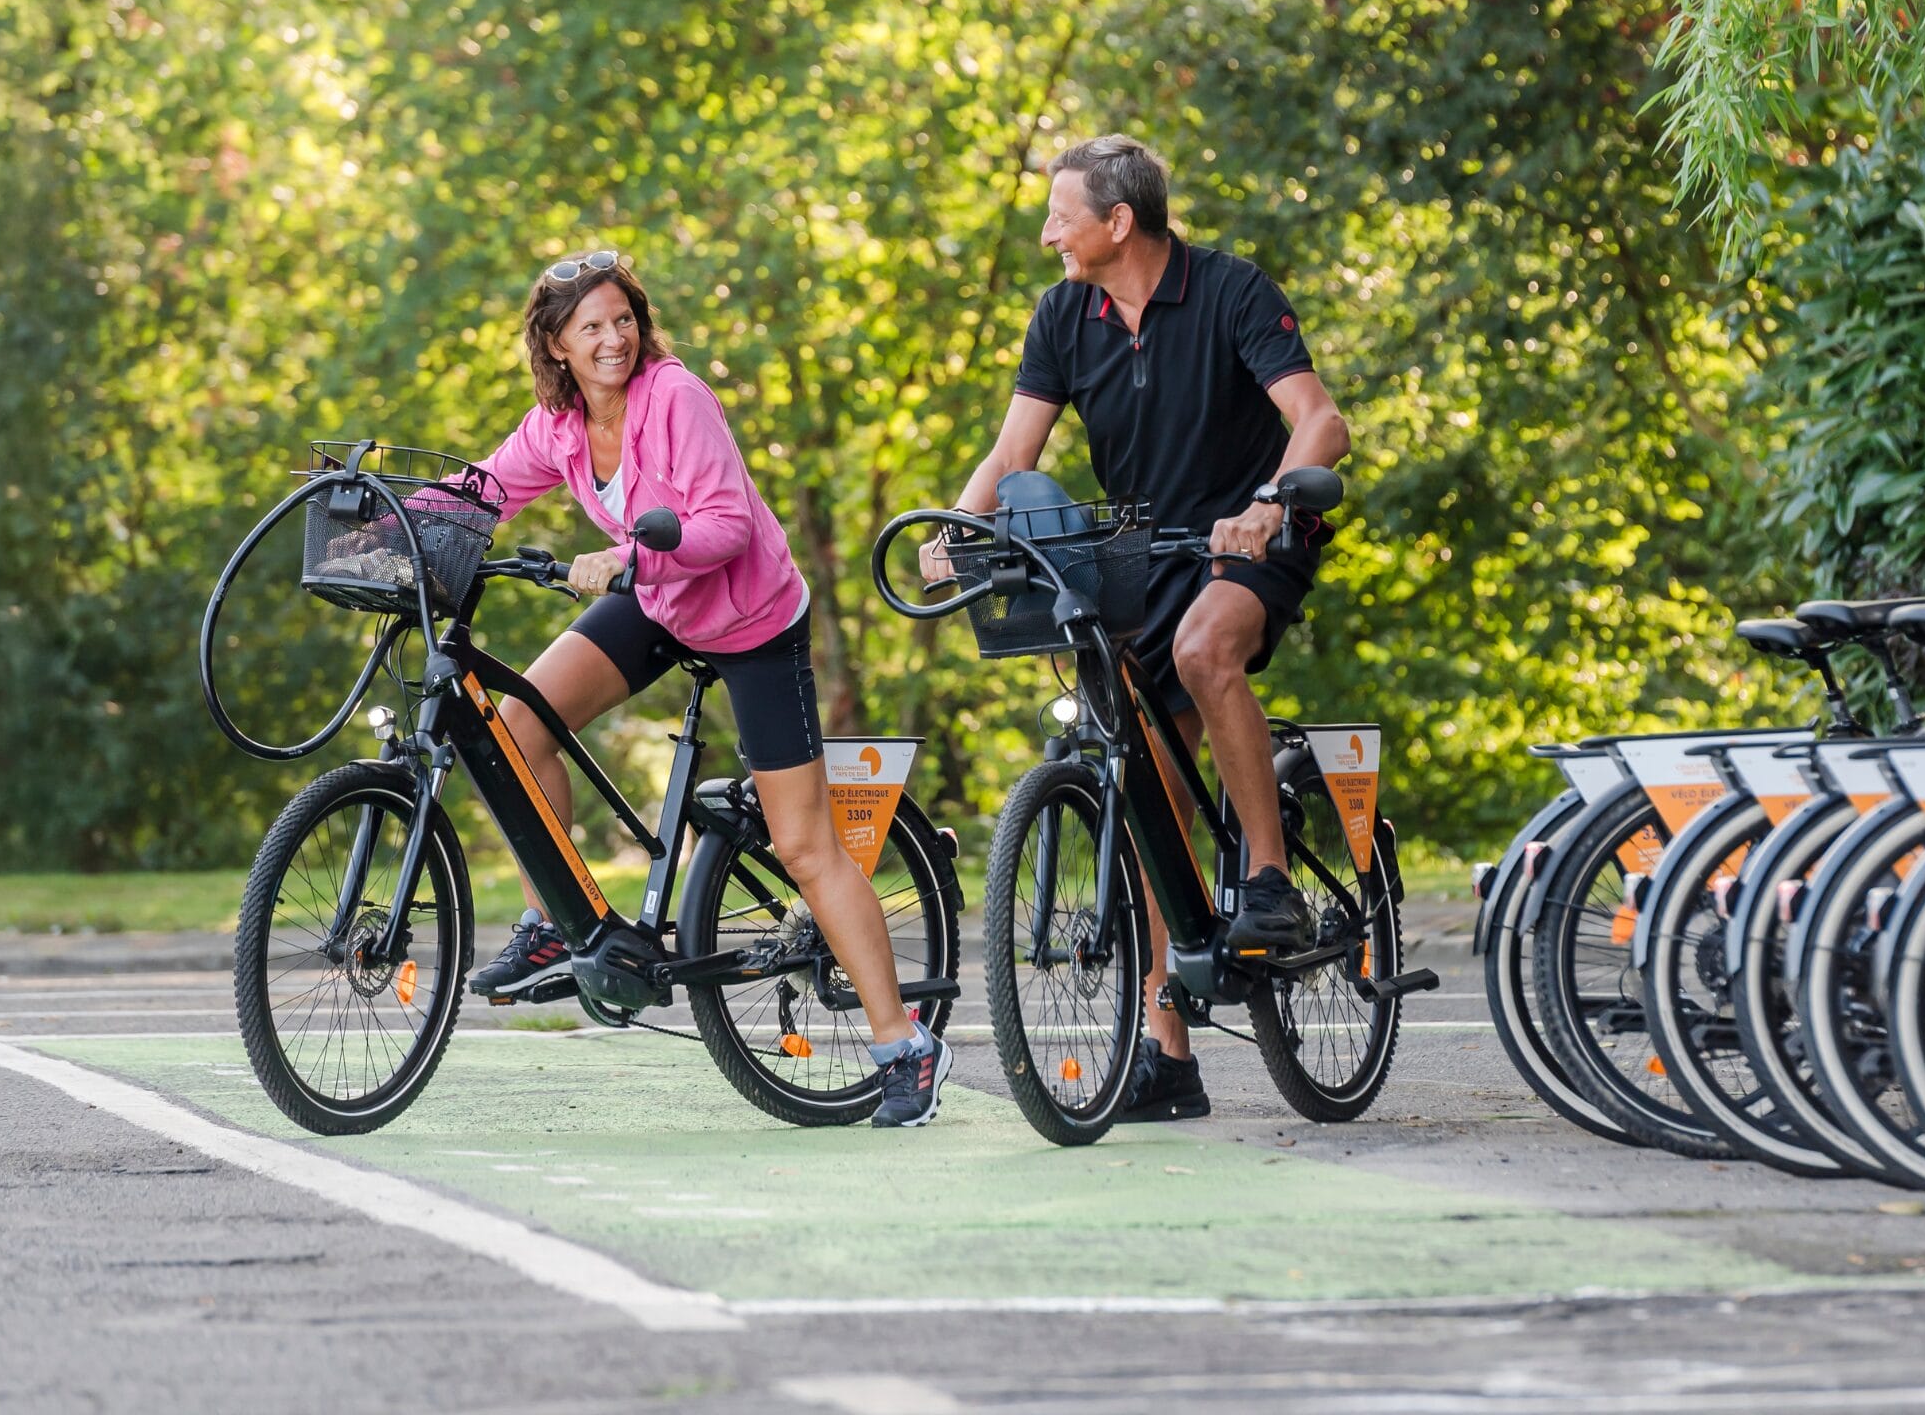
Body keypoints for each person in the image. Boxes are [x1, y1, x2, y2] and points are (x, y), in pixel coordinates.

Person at [461, 251, 946, 1127]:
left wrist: (629, 556)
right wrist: (386, 518)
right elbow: (481, 492)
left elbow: (723, 525)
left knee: (803, 846)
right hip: (657, 598)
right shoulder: (560, 425)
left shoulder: (674, 398)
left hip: (750, 615)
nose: (613, 339)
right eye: (590, 328)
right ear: (556, 345)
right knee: (515, 723)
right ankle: (553, 923)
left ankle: (903, 1044)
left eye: (622, 320)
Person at [923, 137, 1350, 1122]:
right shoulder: (1064, 315)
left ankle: (1273, 878)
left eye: (1059, 215)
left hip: (1253, 532)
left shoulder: (1233, 291)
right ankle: (1170, 1055)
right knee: (1144, 784)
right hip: (1142, 553)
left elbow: (1319, 421)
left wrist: (1273, 499)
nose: (1045, 233)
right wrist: (954, 529)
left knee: (1206, 650)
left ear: (1118, 223)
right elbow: (1013, 448)